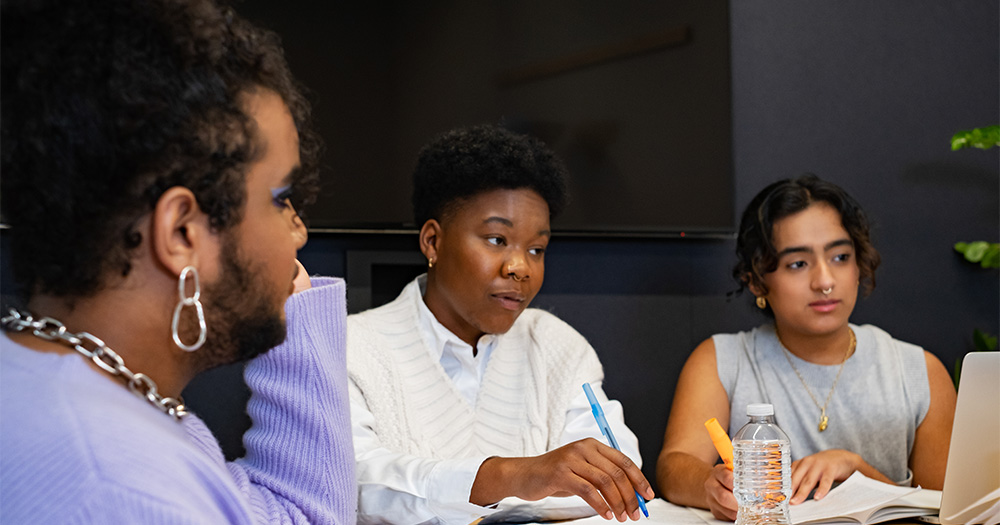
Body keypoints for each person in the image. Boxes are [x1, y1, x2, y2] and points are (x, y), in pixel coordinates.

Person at [0, 1, 356, 522]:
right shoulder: (120, 489)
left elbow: (288, 515)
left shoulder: (94, 393)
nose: (297, 230)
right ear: (182, 232)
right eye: (280, 198)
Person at [346, 125, 654, 524]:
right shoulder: (354, 347)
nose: (520, 267)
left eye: (536, 249)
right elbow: (356, 488)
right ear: (433, 242)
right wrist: (513, 476)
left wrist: (453, 498)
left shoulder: (557, 345)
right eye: (496, 240)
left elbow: (614, 480)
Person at [656, 174, 957, 520]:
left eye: (841, 257)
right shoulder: (721, 360)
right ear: (755, 281)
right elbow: (674, 466)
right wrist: (711, 485)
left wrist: (858, 472)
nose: (825, 281)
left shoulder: (920, 371)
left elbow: (948, 512)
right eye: (798, 263)